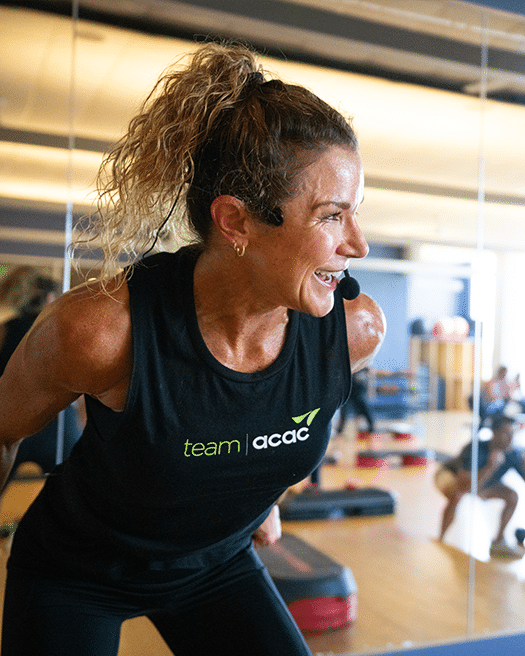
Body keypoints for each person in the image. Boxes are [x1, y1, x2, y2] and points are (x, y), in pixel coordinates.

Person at [0, 42, 385, 656]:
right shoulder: (102, 330)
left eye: (355, 213)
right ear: (235, 222)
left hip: (216, 567)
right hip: (77, 575)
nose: (358, 245)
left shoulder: (353, 332)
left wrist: (257, 500)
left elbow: (260, 422)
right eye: (331, 216)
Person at [0, 267, 81, 478]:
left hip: (13, 425)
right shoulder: (62, 332)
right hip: (57, 427)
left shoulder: (4, 331)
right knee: (71, 489)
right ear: (50, 298)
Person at [435, 414, 525, 558]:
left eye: (512, 434)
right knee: (457, 494)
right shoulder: (475, 448)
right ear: (495, 433)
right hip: (450, 475)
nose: (510, 438)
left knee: (512, 496)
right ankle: (440, 539)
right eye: (506, 434)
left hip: (483, 483)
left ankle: (498, 542)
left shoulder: (513, 453)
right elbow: (467, 485)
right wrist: (490, 467)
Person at [336, 367, 375, 435]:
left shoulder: (365, 369)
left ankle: (372, 429)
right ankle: (339, 431)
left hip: (360, 393)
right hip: (348, 393)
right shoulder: (347, 368)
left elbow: (370, 379)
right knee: (344, 413)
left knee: (366, 411)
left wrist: (371, 392)